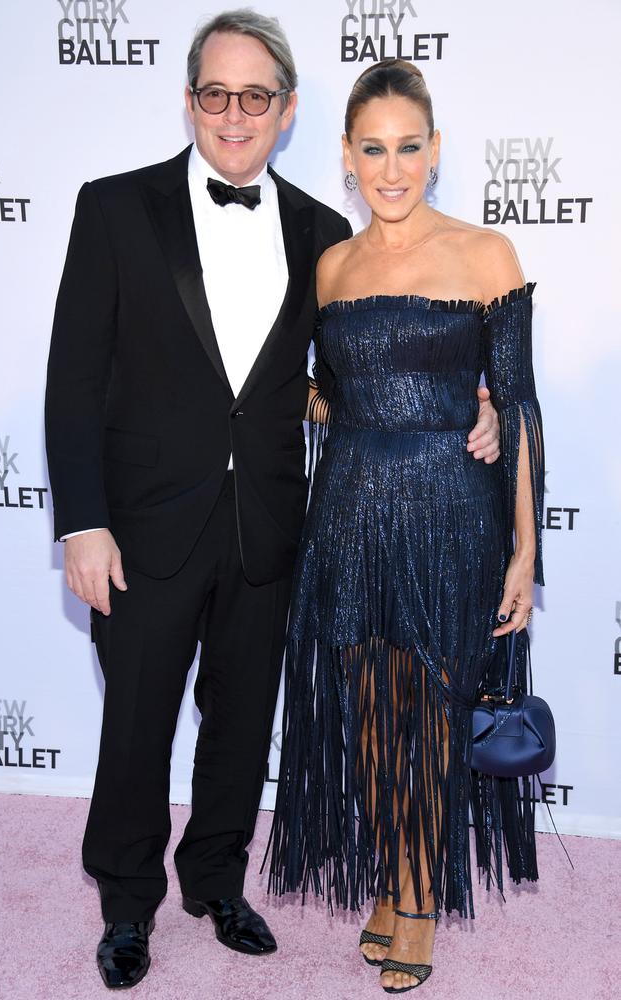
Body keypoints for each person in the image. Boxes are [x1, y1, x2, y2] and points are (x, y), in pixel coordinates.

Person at [45, 12, 501, 989]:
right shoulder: (115, 209)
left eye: (256, 95)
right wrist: (82, 522)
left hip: (271, 526)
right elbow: (74, 380)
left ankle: (215, 880)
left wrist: (464, 400)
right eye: (216, 92)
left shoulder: (321, 233)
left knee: (243, 720)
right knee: (134, 724)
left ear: (288, 112)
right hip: (144, 527)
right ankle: (126, 905)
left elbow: (332, 378)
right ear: (189, 99)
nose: (234, 112)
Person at [267, 59, 545, 994]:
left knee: (429, 708)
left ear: (437, 150)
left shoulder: (485, 254)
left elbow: (523, 408)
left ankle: (420, 896)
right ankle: (393, 873)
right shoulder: (333, 267)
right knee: (374, 718)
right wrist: (322, 402)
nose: (393, 169)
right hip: (347, 514)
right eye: (374, 150)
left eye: (410, 147)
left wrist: (526, 552)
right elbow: (318, 387)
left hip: (448, 515)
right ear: (346, 157)